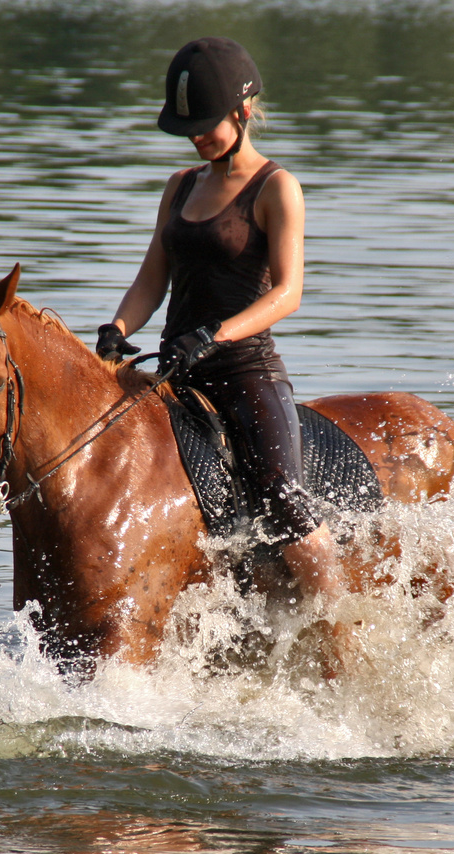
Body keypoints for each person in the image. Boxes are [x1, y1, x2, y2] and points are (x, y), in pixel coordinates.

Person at [96, 36, 349, 633]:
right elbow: (151, 280)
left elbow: (287, 292)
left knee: (286, 501)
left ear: (243, 112)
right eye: (189, 128)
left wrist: (216, 335)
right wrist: (117, 328)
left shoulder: (276, 187)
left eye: (207, 125)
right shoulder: (179, 186)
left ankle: (340, 629)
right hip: (177, 373)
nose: (197, 138)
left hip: (245, 373)